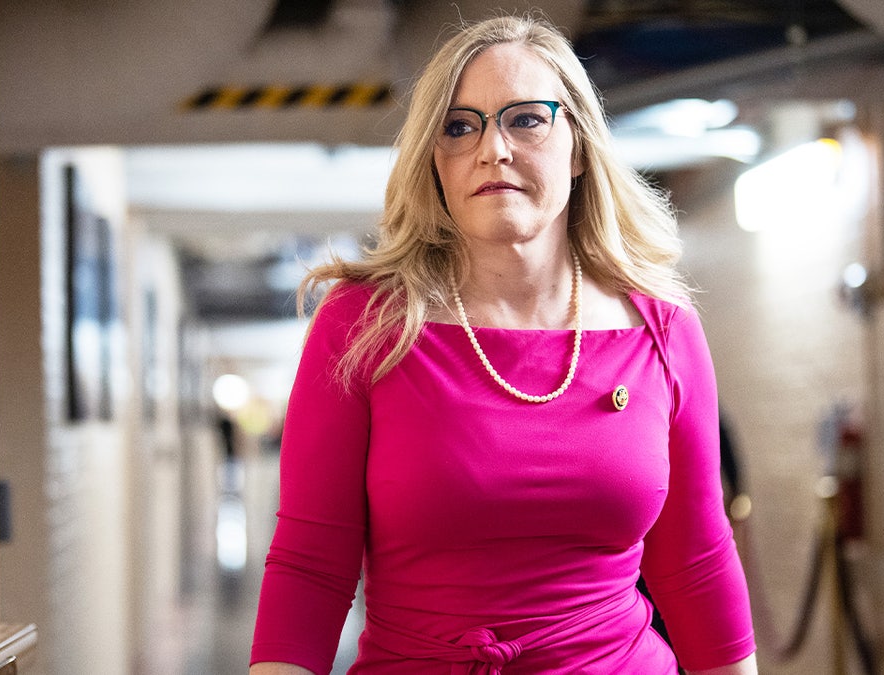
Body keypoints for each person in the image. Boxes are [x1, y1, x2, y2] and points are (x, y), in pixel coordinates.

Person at [250, 14, 756, 675]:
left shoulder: (661, 328)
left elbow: (696, 560)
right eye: (460, 127)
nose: (493, 148)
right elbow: (311, 566)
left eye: (526, 119)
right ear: (435, 160)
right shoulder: (363, 325)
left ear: (579, 148)